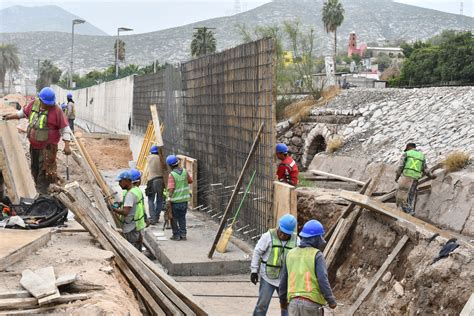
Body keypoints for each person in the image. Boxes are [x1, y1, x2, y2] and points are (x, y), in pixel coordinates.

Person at [3, 87, 72, 194]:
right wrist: (10, 116)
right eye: (46, 103)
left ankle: (43, 196)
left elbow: (65, 128)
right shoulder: (33, 104)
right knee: (34, 170)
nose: (48, 105)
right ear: (40, 99)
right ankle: (40, 192)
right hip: (34, 146)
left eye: (50, 103)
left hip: (48, 148)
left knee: (44, 173)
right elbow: (22, 113)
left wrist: (67, 146)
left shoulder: (56, 110)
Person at [279, 220, 337, 316]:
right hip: (311, 304)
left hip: (293, 304)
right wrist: (330, 300)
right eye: (320, 236)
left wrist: (282, 302)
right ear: (315, 239)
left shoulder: (290, 254)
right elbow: (322, 279)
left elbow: (283, 281)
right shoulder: (317, 255)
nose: (322, 240)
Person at [251, 214, 298, 316]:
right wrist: (254, 271)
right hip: (268, 277)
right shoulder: (268, 236)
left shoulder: (296, 241)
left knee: (286, 307)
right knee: (262, 305)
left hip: (286, 280)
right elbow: (257, 252)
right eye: (282, 232)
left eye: (286, 234)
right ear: (279, 227)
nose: (283, 235)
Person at [395, 143, 435, 215]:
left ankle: (408, 212)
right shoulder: (422, 156)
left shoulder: (406, 154)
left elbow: (400, 167)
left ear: (408, 147)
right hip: (415, 178)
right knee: (410, 196)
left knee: (401, 196)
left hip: (406, 177)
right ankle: (409, 211)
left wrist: (397, 177)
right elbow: (425, 169)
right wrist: (431, 176)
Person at [113, 170, 146, 251]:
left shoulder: (130, 194)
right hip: (136, 224)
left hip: (130, 226)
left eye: (120, 181)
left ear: (127, 181)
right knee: (137, 245)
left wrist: (113, 209)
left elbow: (125, 212)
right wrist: (120, 204)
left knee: (132, 248)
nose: (119, 184)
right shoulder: (135, 190)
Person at [166, 154, 192, 241]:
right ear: (178, 163)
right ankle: (183, 235)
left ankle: (176, 235)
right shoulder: (184, 171)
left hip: (175, 201)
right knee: (182, 218)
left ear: (170, 165)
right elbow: (190, 180)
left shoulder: (172, 175)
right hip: (184, 201)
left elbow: (171, 188)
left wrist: (169, 198)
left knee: (173, 219)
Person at [146, 145, 164, 224]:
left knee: (151, 200)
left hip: (152, 180)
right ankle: (157, 217)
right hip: (160, 180)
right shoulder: (162, 158)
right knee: (159, 200)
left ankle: (153, 218)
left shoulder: (149, 157)